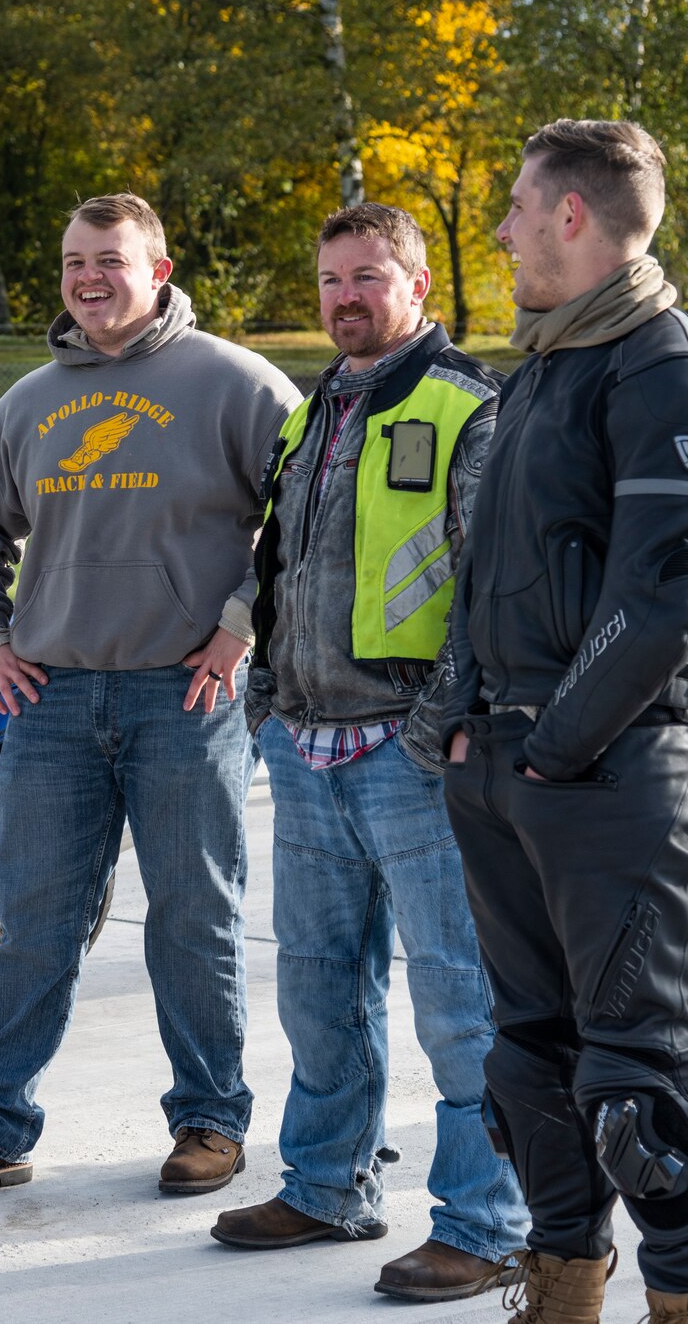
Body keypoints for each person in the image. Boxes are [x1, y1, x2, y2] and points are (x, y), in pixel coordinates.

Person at [0, 192, 301, 1194]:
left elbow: (309, 510)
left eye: (109, 260)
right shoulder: (30, 400)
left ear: (156, 270)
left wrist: (240, 625)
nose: (87, 277)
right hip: (54, 702)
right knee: (30, 921)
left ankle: (208, 1120)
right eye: (74, 259)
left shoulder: (233, 383)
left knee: (192, 919)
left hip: (185, 699)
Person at [440, 119, 688, 1324]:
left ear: (572, 214)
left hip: (613, 774)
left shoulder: (666, 370)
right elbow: (484, 575)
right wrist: (466, 733)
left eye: (519, 205)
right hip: (510, 768)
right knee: (526, 1065)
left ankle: (683, 1305)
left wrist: (557, 744)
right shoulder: (544, 369)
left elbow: (668, 596)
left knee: (633, 1079)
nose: (507, 226)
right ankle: (562, 1287)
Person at [215, 202, 528, 1301]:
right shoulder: (311, 415)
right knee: (317, 989)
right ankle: (323, 1183)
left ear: (417, 286)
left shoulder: (464, 405)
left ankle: (487, 1221)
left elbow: (488, 587)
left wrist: (430, 722)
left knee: (457, 1001)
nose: (343, 297)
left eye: (365, 277)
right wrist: (263, 698)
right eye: (328, 280)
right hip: (304, 750)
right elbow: (279, 570)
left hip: (410, 756)